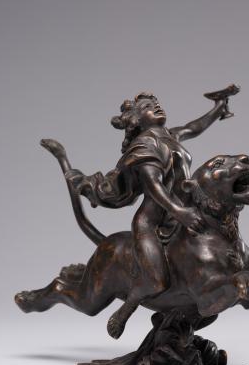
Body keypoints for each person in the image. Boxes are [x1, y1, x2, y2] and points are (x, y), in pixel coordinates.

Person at [67, 90, 233, 338]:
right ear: (135, 120)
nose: (156, 106)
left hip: (179, 218)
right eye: (147, 106)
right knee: (157, 279)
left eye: (156, 103)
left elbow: (194, 127)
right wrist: (179, 211)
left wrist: (218, 108)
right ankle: (125, 311)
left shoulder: (170, 136)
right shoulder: (144, 145)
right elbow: (154, 186)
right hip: (152, 223)